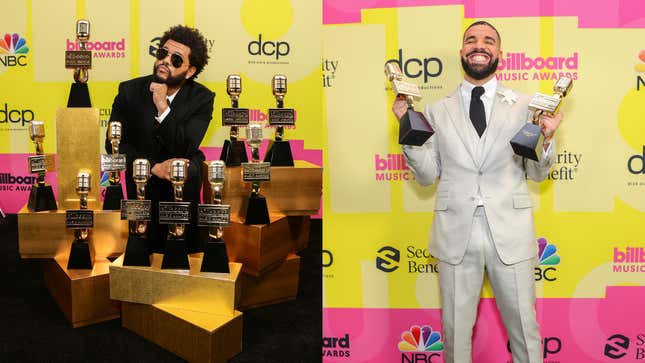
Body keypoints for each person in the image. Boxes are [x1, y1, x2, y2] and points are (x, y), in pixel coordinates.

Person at [392, 21, 562, 363]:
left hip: (511, 235)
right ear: (461, 52)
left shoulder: (528, 105)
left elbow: (537, 173)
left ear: (500, 53)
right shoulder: (437, 111)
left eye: (488, 41)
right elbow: (426, 176)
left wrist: (546, 138)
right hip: (456, 236)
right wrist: (406, 126)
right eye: (471, 40)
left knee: (526, 335)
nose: (478, 45)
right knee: (454, 336)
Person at [106, 25, 214, 252]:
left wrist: (162, 105)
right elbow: (114, 145)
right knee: (141, 258)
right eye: (162, 53)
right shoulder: (129, 91)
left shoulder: (202, 98)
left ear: (191, 70)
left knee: (184, 264)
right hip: (141, 189)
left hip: (183, 195)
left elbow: (185, 147)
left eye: (176, 59)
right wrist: (153, 167)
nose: (165, 61)